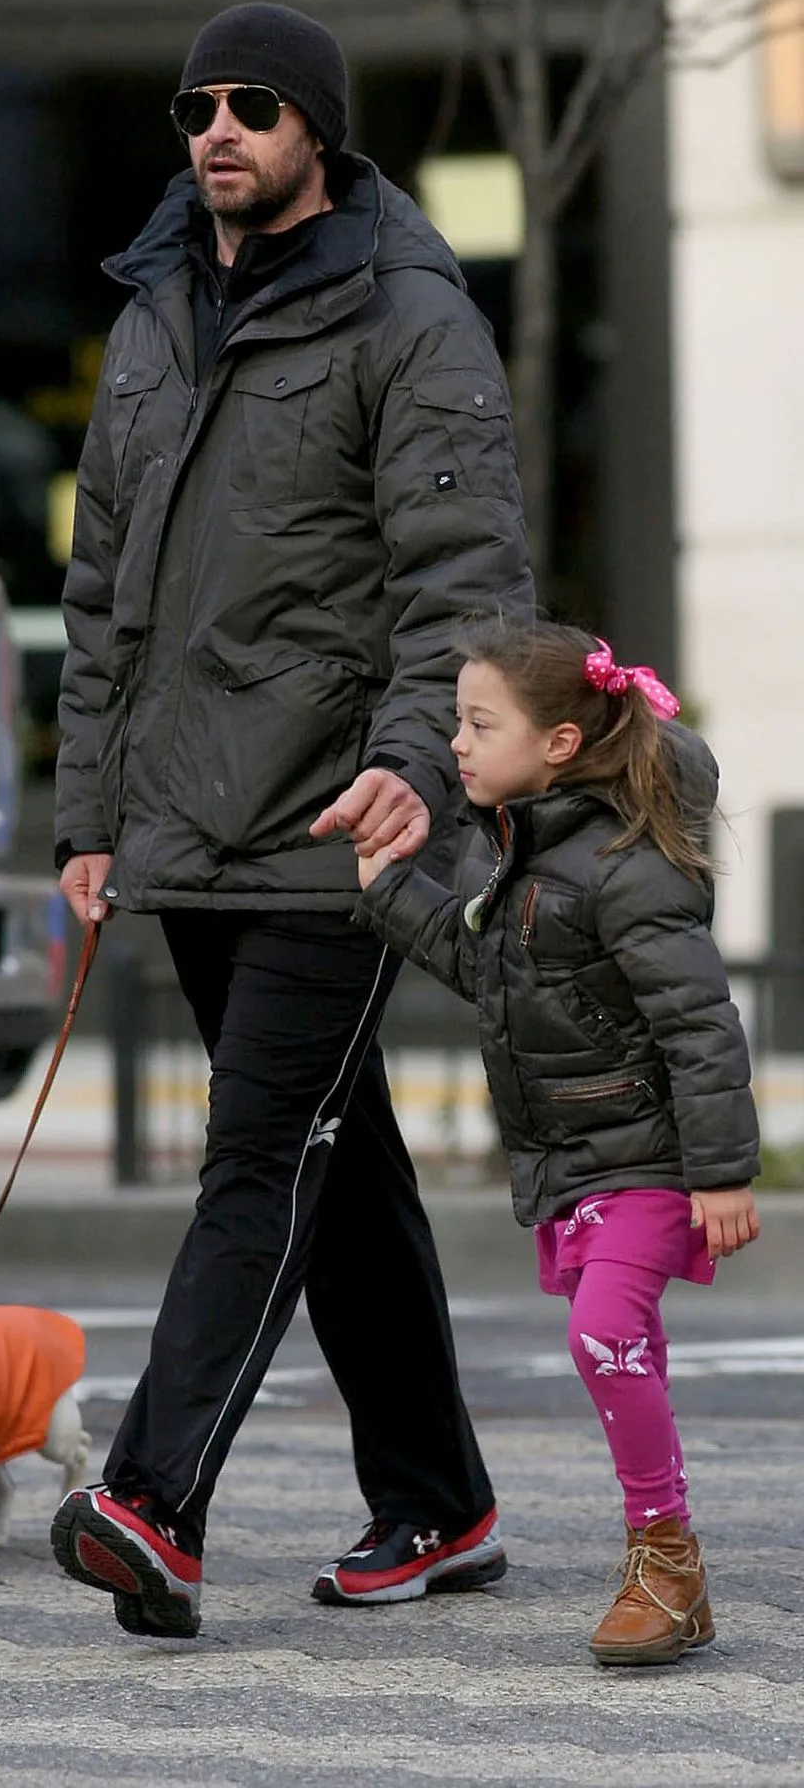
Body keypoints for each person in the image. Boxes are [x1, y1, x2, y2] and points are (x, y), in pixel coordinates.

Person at [50, 1, 535, 1639]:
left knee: (260, 1152)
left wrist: (420, 760)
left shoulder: (413, 318)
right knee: (346, 1165)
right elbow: (104, 589)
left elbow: (463, 589)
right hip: (186, 819)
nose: (217, 130)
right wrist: (89, 809)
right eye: (196, 105)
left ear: (316, 125)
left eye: (253, 104)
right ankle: (442, 1501)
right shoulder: (154, 313)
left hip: (346, 823)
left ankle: (151, 1502)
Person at [313, 616, 760, 1666]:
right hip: (579, 1165)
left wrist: (725, 1171)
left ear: (559, 743)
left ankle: (666, 1557)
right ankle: (669, 1566)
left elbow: (702, 1024)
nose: (456, 744)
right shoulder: (513, 850)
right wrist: (389, 891)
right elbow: (489, 976)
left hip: (644, 1159)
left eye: (478, 723)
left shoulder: (626, 868)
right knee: (619, 1344)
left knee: (602, 1334)